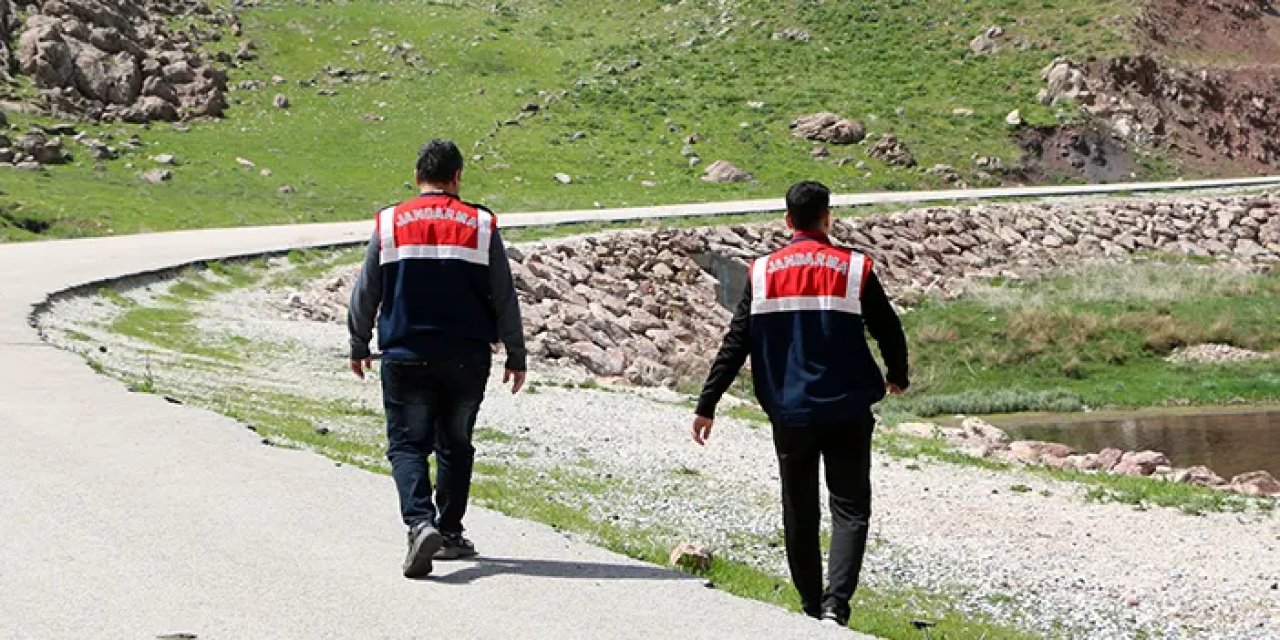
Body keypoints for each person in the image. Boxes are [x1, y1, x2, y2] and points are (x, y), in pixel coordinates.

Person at [690, 181, 909, 626]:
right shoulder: (855, 268)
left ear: (787, 222)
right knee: (849, 507)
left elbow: (737, 343)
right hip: (847, 409)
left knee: (799, 505)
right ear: (827, 218)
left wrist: (707, 402)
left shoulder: (763, 271)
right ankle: (836, 606)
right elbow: (888, 328)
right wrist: (897, 375)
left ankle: (810, 606)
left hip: (791, 412)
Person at [347, 138, 526, 579]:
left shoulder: (390, 222)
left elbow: (366, 289)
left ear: (417, 177)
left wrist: (357, 342)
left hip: (405, 354)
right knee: (455, 443)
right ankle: (448, 530)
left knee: (408, 445)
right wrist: (516, 353)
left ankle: (419, 524)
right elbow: (504, 295)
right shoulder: (481, 224)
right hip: (466, 357)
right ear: (457, 177)